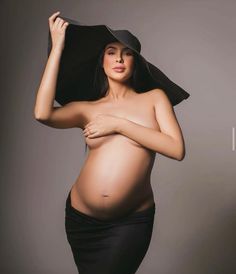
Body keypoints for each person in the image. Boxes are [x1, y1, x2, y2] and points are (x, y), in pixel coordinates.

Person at [34, 11, 187, 274]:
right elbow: (42, 113)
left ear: (136, 62)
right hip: (81, 221)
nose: (118, 58)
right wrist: (58, 47)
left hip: (130, 223)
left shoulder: (154, 98)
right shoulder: (88, 109)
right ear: (101, 60)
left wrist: (118, 124)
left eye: (127, 53)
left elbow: (176, 149)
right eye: (111, 51)